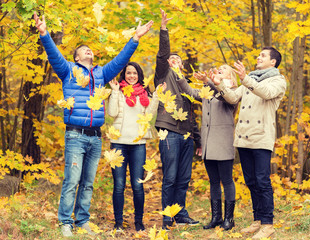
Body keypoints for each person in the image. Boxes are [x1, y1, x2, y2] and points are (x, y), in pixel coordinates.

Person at [33, 12, 153, 237]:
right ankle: (66, 222)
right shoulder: (68, 70)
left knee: (88, 182)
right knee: (72, 180)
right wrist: (44, 34)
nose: (89, 50)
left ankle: (82, 220)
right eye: (84, 49)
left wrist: (135, 38)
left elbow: (119, 61)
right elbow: (53, 55)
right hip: (75, 136)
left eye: (90, 49)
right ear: (77, 57)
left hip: (95, 137)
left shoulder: (101, 73)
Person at [210, 47, 286, 239]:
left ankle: (268, 224)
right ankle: (257, 220)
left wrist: (245, 78)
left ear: (273, 62)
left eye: (263, 56)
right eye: (258, 55)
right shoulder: (251, 78)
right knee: (251, 181)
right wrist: (220, 85)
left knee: (262, 181)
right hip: (244, 138)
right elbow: (233, 97)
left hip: (261, 137)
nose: (258, 58)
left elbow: (266, 93)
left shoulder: (278, 80)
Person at [176, 65, 238, 231]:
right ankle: (216, 217)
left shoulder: (232, 91)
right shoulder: (209, 89)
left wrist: (209, 81)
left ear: (231, 75)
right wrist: (179, 75)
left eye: (224, 69)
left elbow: (223, 96)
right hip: (209, 143)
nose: (220, 69)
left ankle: (229, 218)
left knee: (226, 180)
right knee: (213, 182)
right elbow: (191, 92)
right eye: (219, 68)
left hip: (223, 142)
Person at [154, 9, 200, 230]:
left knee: (183, 178)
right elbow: (163, 55)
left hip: (187, 135)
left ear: (182, 66)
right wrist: (164, 30)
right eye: (172, 58)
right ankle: (166, 216)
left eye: (178, 60)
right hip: (169, 131)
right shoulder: (164, 76)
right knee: (170, 177)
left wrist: (198, 140)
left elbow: (193, 115)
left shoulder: (186, 85)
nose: (174, 60)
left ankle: (180, 213)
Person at [107, 62, 166, 232]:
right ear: (124, 75)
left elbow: (149, 116)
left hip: (138, 144)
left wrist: (155, 97)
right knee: (118, 184)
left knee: (137, 185)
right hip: (118, 143)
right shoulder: (118, 91)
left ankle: (138, 222)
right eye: (128, 73)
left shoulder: (144, 93)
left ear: (139, 75)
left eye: (134, 73)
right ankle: (118, 222)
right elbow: (111, 113)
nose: (131, 76)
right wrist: (115, 92)